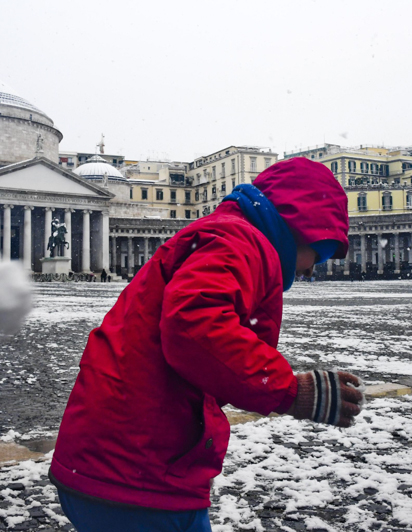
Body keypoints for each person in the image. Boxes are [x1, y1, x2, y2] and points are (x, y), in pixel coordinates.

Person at [49, 158, 365, 532]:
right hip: (136, 473)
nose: (314, 268)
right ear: (302, 228)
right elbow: (194, 324)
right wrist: (290, 390)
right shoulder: (240, 240)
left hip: (125, 458)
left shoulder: (227, 235)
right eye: (323, 253)